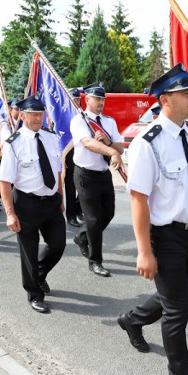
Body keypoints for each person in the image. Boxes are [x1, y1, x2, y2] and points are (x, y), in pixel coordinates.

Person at [117, 64, 188, 375]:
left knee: (174, 298)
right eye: (185, 93)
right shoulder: (147, 143)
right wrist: (144, 251)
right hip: (163, 237)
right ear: (165, 99)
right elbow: (139, 199)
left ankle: (133, 320)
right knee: (177, 312)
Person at [0, 95, 66, 313]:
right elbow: (5, 182)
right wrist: (10, 213)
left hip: (51, 201)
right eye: (34, 114)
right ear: (23, 115)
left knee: (58, 245)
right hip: (27, 203)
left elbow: (57, 171)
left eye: (41, 114)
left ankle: (38, 275)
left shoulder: (51, 137)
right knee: (29, 249)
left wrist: (61, 196)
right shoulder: (14, 143)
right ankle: (34, 293)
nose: (38, 118)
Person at [69, 84, 124, 277]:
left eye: (103, 99)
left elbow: (120, 147)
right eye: (97, 99)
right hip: (85, 174)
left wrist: (109, 143)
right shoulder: (79, 121)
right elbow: (88, 143)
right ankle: (95, 261)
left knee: (108, 213)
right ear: (87, 99)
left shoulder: (109, 122)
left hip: (103, 173)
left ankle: (83, 237)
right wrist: (111, 152)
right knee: (92, 218)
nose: (101, 102)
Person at [64, 88, 83, 228]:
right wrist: (62, 159)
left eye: (77, 99)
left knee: (83, 185)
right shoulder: (63, 115)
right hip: (69, 154)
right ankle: (71, 215)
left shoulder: (83, 114)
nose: (75, 101)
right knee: (70, 187)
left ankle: (78, 209)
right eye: (73, 99)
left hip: (83, 153)